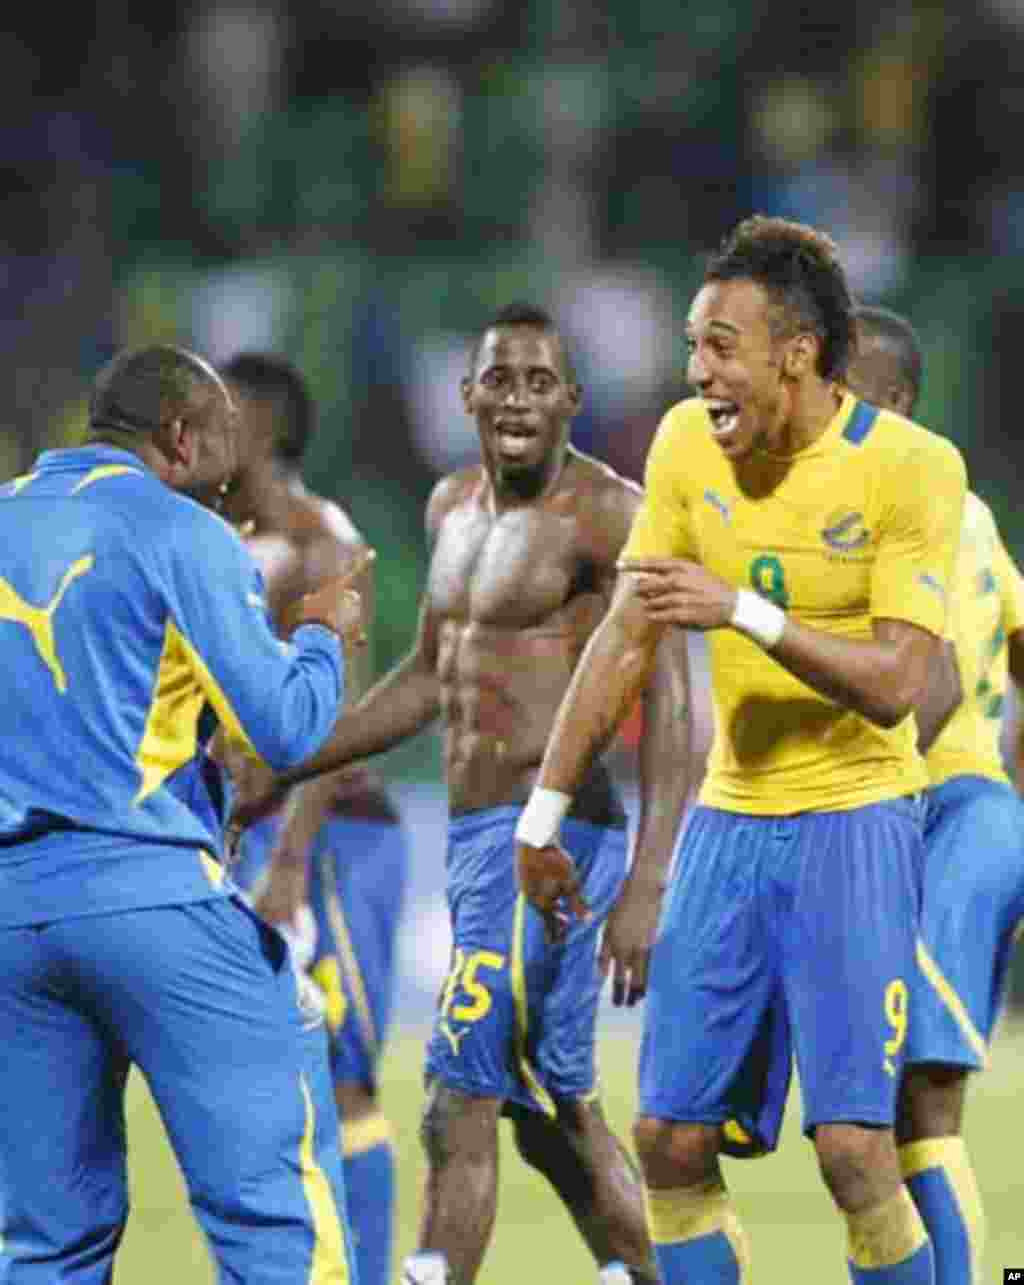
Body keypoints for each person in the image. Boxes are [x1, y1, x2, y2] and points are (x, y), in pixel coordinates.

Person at [512, 217, 969, 1285]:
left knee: (855, 1152)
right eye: (690, 343)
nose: (694, 370)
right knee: (667, 1140)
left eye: (719, 345)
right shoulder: (681, 444)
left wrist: (742, 614)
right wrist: (541, 815)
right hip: (732, 821)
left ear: (796, 354)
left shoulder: (911, 470)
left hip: (857, 819)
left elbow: (901, 685)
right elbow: (627, 631)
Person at [231, 302, 693, 1285]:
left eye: (538, 381)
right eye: (499, 378)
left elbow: (674, 696)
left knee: (458, 1095)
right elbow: (423, 680)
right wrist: (293, 758)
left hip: (556, 842)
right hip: (479, 837)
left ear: (570, 398)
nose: (517, 397)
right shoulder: (450, 509)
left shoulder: (609, 514)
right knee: (553, 1113)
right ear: (467, 394)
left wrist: (651, 875)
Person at [0, 344, 366, 1284]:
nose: (236, 473)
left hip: (10, 925)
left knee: (47, 1242)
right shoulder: (183, 531)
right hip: (152, 898)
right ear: (178, 436)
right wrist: (321, 635)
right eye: (226, 448)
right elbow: (283, 728)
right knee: (276, 1219)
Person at [218, 351, 409, 1285]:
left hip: (331, 839)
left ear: (258, 424)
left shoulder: (323, 539)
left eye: (217, 411)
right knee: (255, 1077)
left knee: (342, 1075)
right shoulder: (210, 537)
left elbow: (347, 716)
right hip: (242, 830)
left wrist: (291, 856)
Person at [846, 305, 1024, 1285]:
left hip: (948, 810)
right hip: (947, 814)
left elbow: (941, 681)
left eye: (851, 391)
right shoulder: (962, 515)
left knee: (920, 1099)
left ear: (897, 400)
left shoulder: (929, 503)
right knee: (880, 1107)